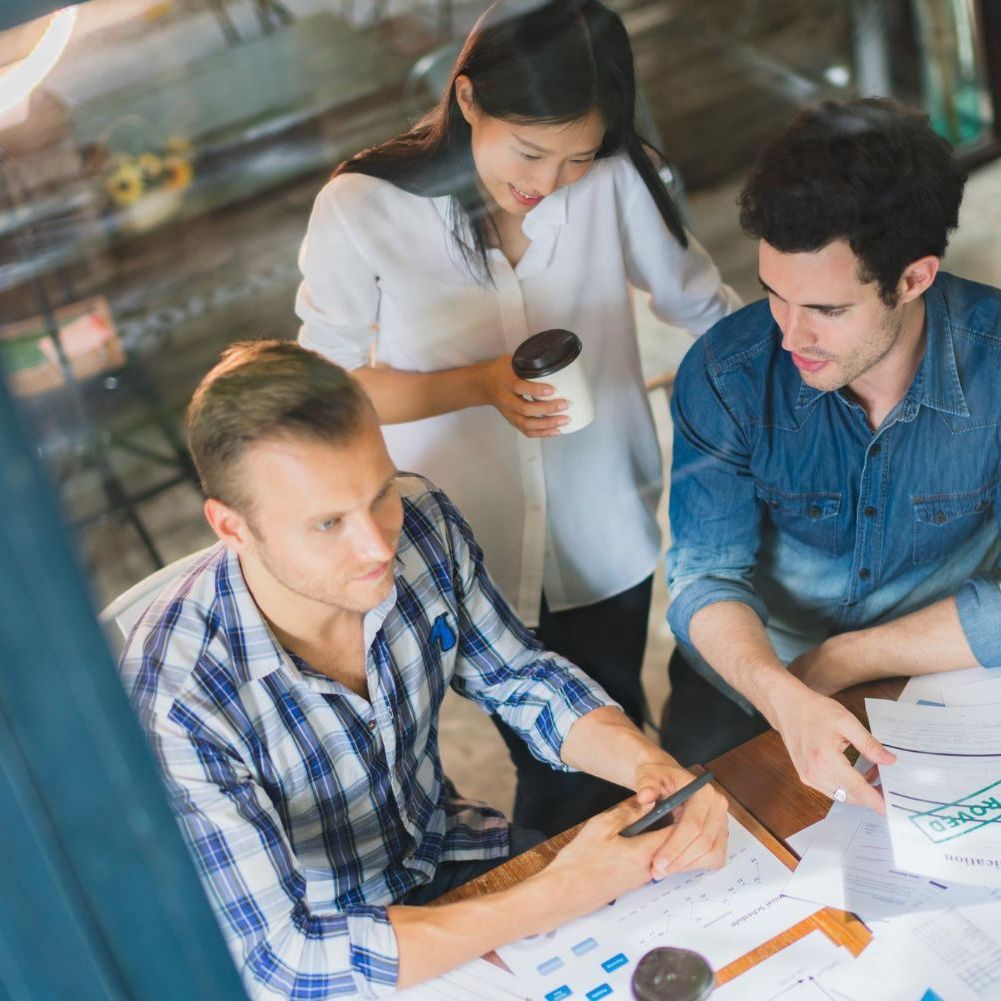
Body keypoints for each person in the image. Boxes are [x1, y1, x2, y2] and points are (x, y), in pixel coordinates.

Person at [118, 341, 729, 999]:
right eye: (327, 522)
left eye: (379, 492)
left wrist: (646, 765)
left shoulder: (423, 519)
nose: (378, 546)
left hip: (447, 851)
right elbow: (286, 956)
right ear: (231, 528)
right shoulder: (174, 695)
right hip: (330, 952)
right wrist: (555, 893)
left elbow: (521, 677)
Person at [295, 0, 739, 835]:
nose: (548, 181)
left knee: (614, 725)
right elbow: (323, 389)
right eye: (529, 150)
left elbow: (702, 306)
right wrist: (478, 384)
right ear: (466, 99)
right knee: (561, 767)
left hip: (606, 521)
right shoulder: (362, 206)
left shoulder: (614, 177)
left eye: (578, 155)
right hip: (465, 546)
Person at [662, 96, 1001, 812]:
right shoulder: (726, 373)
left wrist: (847, 658)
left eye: (826, 310)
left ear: (913, 279)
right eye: (774, 295)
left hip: (934, 659)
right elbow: (703, 577)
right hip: (747, 669)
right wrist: (782, 690)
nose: (790, 336)